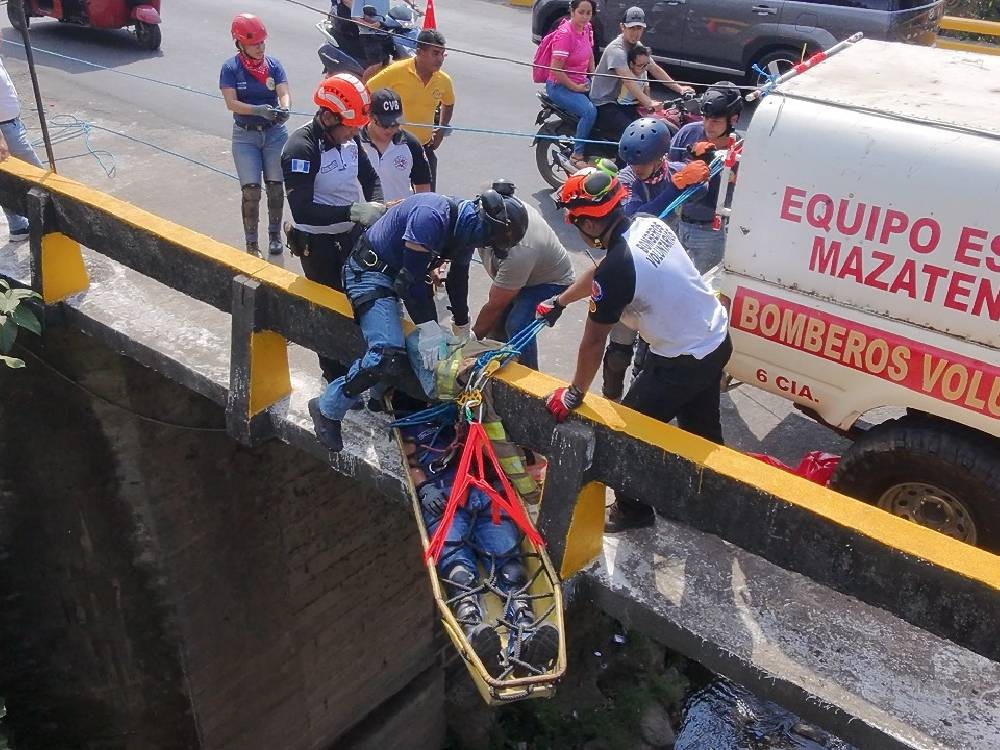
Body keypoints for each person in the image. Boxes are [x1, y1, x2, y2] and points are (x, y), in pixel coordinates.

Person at [535, 168, 731, 532]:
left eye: (576, 221)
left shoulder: (619, 268)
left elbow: (594, 341)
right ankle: (713, 499)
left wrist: (574, 393)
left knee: (620, 439)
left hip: (682, 359)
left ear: (591, 225)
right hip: (715, 338)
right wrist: (560, 300)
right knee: (700, 430)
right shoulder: (645, 223)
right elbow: (601, 274)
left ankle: (633, 510)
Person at [307, 190, 528, 452]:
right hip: (369, 274)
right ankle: (327, 408)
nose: (486, 245)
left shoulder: (466, 229)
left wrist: (462, 325)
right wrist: (430, 330)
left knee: (417, 348)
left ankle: (378, 398)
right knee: (386, 351)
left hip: (398, 275)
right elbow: (409, 285)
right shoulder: (431, 216)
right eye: (489, 238)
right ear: (484, 222)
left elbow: (458, 280)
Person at [402, 418, 558, 677]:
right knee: (458, 571)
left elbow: (510, 447)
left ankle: (525, 635)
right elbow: (410, 458)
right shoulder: (412, 415)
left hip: (487, 492)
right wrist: (424, 486)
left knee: (511, 570)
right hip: (444, 498)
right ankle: (474, 626)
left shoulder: (478, 410)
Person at [281, 74, 386, 382]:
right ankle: (334, 377)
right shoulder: (300, 149)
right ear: (327, 116)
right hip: (319, 245)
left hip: (352, 236)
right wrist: (354, 211)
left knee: (361, 305)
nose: (355, 132)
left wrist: (377, 207)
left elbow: (370, 179)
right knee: (328, 314)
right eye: (349, 126)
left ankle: (362, 372)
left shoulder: (350, 140)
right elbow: (302, 209)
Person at [600, 118, 710, 400]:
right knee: (618, 354)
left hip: (661, 275)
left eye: (642, 163)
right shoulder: (624, 181)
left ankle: (637, 402)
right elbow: (633, 220)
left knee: (649, 355)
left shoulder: (674, 172)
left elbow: (700, 194)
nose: (636, 169)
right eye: (633, 163)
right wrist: (676, 188)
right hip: (631, 273)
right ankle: (611, 397)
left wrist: (700, 166)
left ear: (660, 156)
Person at [472, 179, 575, 371]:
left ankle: (529, 377)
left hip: (548, 280)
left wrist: (467, 346)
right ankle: (495, 362)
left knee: (517, 325)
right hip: (523, 274)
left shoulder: (519, 251)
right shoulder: (489, 212)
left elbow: (494, 306)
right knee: (495, 328)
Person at [220, 14, 291, 258]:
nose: (260, 48)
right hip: (245, 136)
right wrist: (257, 111)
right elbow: (232, 103)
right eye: (254, 44)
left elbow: (283, 92)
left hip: (274, 134)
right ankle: (251, 244)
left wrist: (284, 108)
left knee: (275, 186)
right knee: (251, 191)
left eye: (262, 43)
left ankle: (274, 235)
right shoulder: (231, 69)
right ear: (240, 44)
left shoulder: (273, 66)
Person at [668, 81, 744, 274]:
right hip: (678, 222)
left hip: (711, 232)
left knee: (703, 286)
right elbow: (666, 169)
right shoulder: (688, 133)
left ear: (733, 120)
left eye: (716, 121)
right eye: (706, 118)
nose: (708, 126)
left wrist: (718, 165)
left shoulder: (741, 151)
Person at [589, 7, 694, 143]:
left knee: (657, 126)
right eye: (632, 28)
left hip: (624, 102)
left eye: (639, 28)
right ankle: (622, 164)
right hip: (605, 103)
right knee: (636, 135)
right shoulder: (617, 50)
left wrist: (679, 88)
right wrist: (648, 102)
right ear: (622, 27)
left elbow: (653, 68)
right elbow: (629, 81)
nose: (636, 33)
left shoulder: (636, 45)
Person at [367, 29, 454, 190]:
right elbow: (368, 90)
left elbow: (448, 103)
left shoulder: (443, 80)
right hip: (395, 147)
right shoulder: (396, 71)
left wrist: (441, 129)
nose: (440, 59)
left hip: (424, 148)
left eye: (442, 54)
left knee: (427, 200)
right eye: (435, 53)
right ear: (420, 52)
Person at [0, 35, 45, 243]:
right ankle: (50, 221)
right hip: (4, 130)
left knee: (5, 179)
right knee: (39, 177)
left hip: (10, 125)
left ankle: (18, 226)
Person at [544, 0, 597, 170]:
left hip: (581, 81)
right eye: (581, 12)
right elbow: (556, 69)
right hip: (559, 86)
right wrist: (575, 87)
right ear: (572, 11)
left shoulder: (587, 29)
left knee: (606, 101)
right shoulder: (565, 34)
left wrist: (594, 76)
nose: (585, 17)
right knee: (589, 111)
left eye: (588, 13)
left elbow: (589, 55)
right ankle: (577, 155)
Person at [360, 88, 432, 202]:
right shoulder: (354, 142)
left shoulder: (411, 144)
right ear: (370, 116)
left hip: (399, 216)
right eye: (384, 124)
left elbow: (423, 187)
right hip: (363, 216)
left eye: (395, 124)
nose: (390, 129)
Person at [616, 43, 650, 109]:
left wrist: (648, 100)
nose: (644, 68)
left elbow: (646, 88)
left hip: (637, 103)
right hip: (625, 104)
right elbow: (637, 93)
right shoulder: (629, 75)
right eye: (640, 66)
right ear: (631, 64)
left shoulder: (644, 73)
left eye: (646, 65)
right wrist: (648, 104)